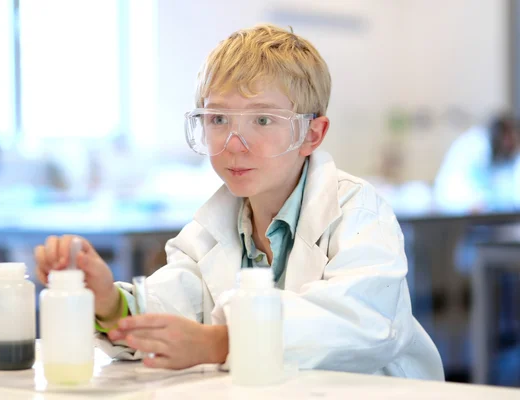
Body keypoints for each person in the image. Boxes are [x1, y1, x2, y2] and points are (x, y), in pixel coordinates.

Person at [34, 24, 444, 379]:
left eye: (262, 120)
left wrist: (221, 343)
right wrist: (108, 301)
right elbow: (173, 306)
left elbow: (363, 323)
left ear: (312, 135)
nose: (234, 144)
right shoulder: (208, 232)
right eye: (217, 119)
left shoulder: (357, 214)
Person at [433, 113, 520, 213]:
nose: (512, 142)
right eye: (510, 136)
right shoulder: (479, 143)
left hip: (470, 204)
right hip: (456, 201)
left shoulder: (499, 152)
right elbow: (479, 186)